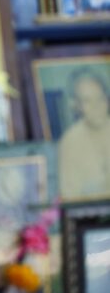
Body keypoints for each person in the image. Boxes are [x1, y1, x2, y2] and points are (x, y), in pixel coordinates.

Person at [59, 68, 110, 200]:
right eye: (87, 101)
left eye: (100, 98)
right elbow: (70, 195)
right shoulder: (70, 141)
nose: (96, 106)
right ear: (77, 106)